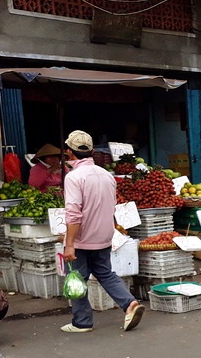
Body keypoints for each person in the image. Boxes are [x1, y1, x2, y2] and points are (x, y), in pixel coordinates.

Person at [61, 130, 145, 333]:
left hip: (82, 238)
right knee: (104, 273)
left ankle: (82, 322)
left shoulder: (74, 177)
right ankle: (130, 304)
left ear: (70, 153)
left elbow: (74, 213)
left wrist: (70, 243)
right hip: (104, 236)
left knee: (77, 278)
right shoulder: (107, 175)